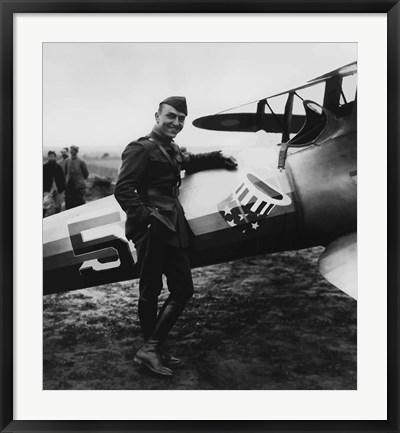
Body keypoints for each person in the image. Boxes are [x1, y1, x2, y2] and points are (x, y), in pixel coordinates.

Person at [114, 96, 237, 376]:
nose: (176, 123)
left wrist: (218, 156)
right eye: (171, 116)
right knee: (150, 291)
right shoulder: (140, 148)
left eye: (181, 118)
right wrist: (146, 219)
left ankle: (151, 348)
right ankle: (151, 349)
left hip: (173, 224)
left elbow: (188, 160)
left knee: (183, 289)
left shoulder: (169, 148)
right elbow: (123, 189)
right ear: (157, 115)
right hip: (153, 227)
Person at [65, 145, 89, 209]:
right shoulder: (67, 161)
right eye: (70, 151)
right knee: (70, 205)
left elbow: (86, 174)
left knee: (80, 205)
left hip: (79, 187)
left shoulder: (81, 162)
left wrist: (80, 181)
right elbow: (65, 172)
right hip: (70, 186)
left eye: (73, 151)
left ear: (76, 152)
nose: (71, 152)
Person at [43, 151, 66, 217]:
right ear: (48, 157)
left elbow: (62, 179)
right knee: (45, 205)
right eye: (50, 156)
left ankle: (57, 219)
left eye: (52, 156)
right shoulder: (44, 167)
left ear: (55, 157)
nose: (51, 158)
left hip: (58, 189)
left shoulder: (59, 168)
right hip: (47, 190)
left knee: (58, 206)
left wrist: (63, 188)